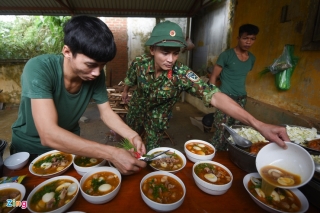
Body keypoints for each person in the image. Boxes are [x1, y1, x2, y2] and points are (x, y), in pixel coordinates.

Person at [122, 21, 289, 151]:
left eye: (175, 53)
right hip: (137, 107)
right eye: (165, 52)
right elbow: (130, 79)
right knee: (130, 142)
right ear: (152, 50)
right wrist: (125, 91)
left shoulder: (182, 74)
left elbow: (214, 95)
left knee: (152, 151)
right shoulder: (139, 64)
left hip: (158, 117)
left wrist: (259, 124)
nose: (171, 60)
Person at [10, 15, 147, 175]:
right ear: (67, 51)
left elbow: (106, 113)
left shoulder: (95, 75)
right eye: (90, 65)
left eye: (102, 65)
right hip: (29, 151)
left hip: (71, 147)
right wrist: (112, 153)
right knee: (22, 200)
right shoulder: (40, 68)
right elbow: (48, 134)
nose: (97, 73)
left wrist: (133, 136)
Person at [210, 24, 259, 151]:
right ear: (238, 38)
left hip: (241, 98)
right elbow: (214, 76)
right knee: (221, 130)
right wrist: (211, 96)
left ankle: (229, 154)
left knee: (236, 132)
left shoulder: (252, 58)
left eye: (252, 39)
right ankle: (213, 156)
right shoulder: (226, 55)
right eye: (245, 38)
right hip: (225, 97)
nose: (248, 42)